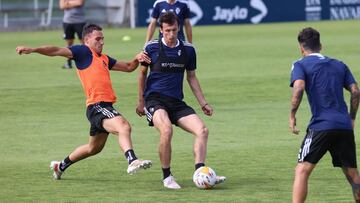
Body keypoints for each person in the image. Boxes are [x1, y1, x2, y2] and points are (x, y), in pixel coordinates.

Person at [16, 24, 152, 180]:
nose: (102, 42)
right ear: (87, 40)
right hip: (97, 106)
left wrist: (137, 58)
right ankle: (132, 160)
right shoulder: (83, 51)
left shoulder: (104, 59)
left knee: (93, 148)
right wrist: (33, 49)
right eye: (98, 39)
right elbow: (56, 50)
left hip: (103, 107)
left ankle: (59, 166)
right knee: (123, 126)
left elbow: (128, 67)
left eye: (103, 39)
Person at [137, 11, 225, 189]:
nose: (171, 34)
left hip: (176, 102)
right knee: (167, 130)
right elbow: (142, 75)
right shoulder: (151, 47)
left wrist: (203, 103)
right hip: (155, 100)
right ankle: (167, 177)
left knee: (202, 130)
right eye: (167, 30)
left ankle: (200, 172)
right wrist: (141, 101)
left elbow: (191, 77)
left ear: (179, 29)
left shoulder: (188, 50)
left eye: (174, 30)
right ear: (161, 30)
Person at [289, 27, 360, 202]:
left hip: (321, 126)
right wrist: (351, 118)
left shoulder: (300, 64)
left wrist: (292, 115)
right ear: (321, 45)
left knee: (302, 170)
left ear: (301, 48)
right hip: (343, 125)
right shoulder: (340, 64)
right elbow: (356, 91)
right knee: (352, 173)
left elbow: (298, 87)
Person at [59, 0, 86, 69]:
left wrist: (67, 3)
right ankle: (68, 63)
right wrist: (74, 3)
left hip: (80, 22)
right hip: (67, 22)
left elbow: (80, 3)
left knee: (84, 43)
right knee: (69, 44)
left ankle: (87, 62)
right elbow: (62, 6)